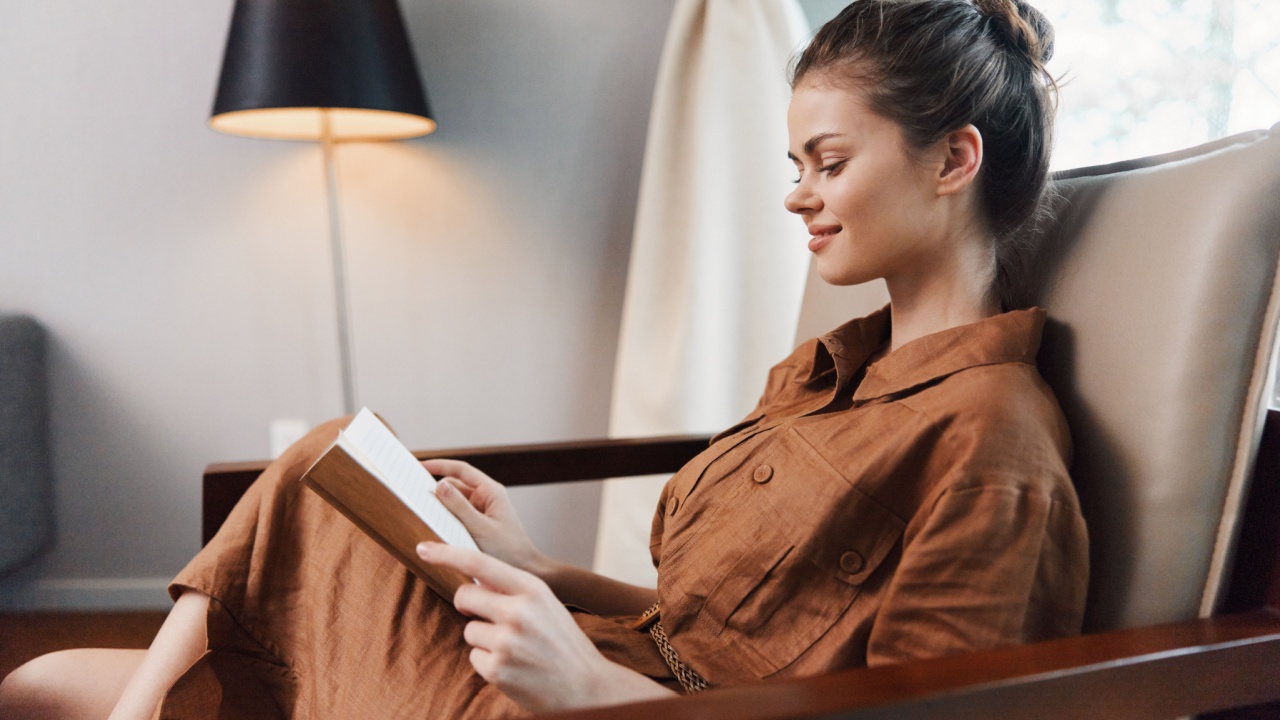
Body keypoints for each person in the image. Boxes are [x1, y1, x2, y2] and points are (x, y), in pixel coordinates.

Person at [0, 0, 1088, 717]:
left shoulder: (991, 439)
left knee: (50, 681)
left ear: (953, 159)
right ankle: (148, 703)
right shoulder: (824, 378)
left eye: (828, 160)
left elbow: (933, 707)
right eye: (793, 162)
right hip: (600, 661)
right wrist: (538, 570)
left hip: (598, 705)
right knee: (341, 458)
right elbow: (696, 626)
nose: (796, 192)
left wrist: (589, 690)